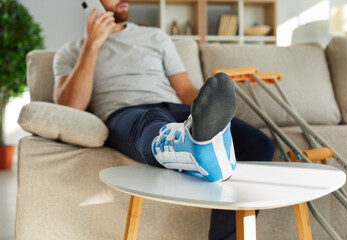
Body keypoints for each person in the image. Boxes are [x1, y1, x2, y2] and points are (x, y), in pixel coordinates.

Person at [53, 0, 274, 239]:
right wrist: (91, 46)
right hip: (126, 114)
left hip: (175, 108)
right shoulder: (71, 52)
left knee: (259, 143)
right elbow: (71, 107)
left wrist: (213, 111)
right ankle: (190, 145)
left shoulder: (155, 37)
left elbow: (184, 89)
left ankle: (197, 142)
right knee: (153, 119)